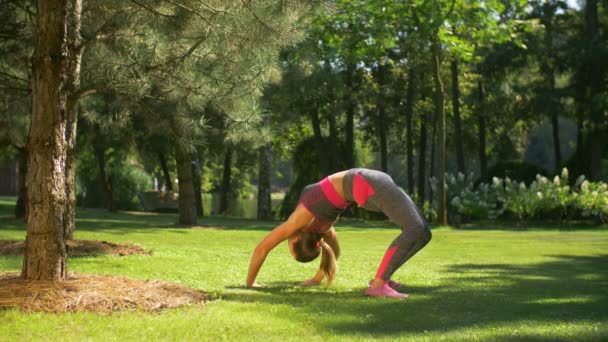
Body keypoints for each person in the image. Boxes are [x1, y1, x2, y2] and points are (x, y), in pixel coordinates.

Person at [246, 168, 431, 298]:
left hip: (366, 180)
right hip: (365, 181)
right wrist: (316, 279)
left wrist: (251, 283)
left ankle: (381, 282)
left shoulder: (309, 222)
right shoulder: (314, 225)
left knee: (422, 232)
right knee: (416, 229)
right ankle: (380, 283)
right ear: (295, 238)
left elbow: (263, 248)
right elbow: (263, 248)